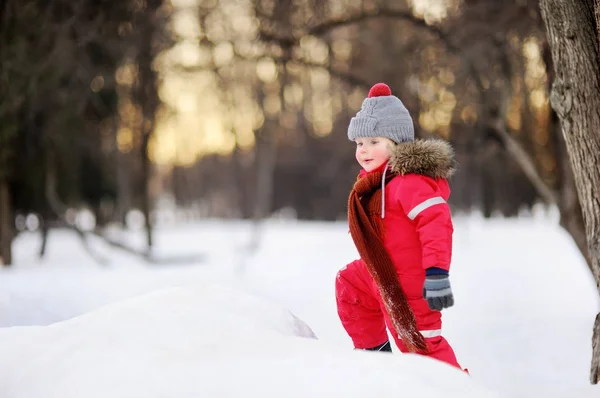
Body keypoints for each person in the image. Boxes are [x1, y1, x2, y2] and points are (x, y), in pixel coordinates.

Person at [335, 82, 463, 369]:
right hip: (381, 272)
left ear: (396, 144)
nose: (364, 150)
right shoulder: (375, 185)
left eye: (374, 142)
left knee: (422, 348)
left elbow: (437, 225)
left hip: (411, 285)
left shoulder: (410, 183)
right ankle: (378, 366)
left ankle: (454, 389)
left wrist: (437, 272)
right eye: (359, 143)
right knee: (350, 285)